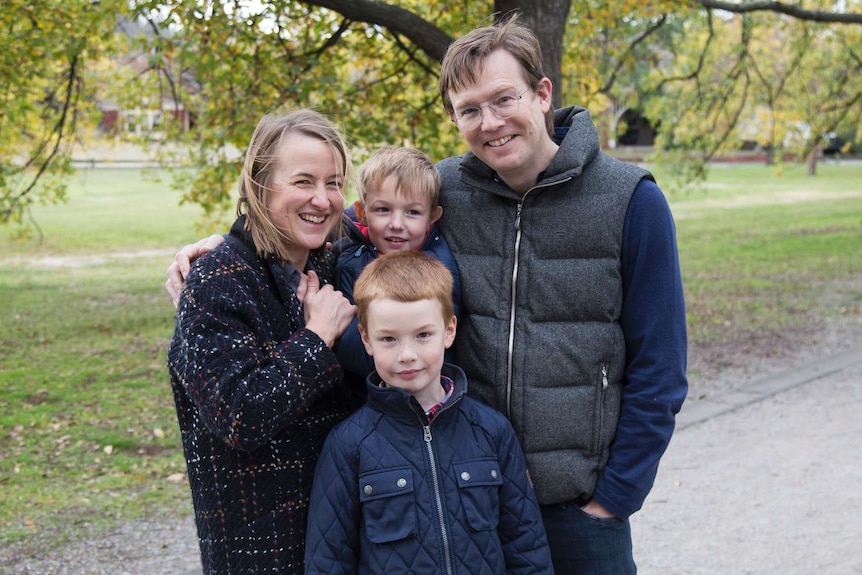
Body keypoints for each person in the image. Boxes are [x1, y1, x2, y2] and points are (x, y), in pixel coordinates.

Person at [166, 15, 688, 574]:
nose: (489, 123)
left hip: (578, 510)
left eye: (503, 99)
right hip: (461, 494)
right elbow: (331, 224)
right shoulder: (441, 193)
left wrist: (613, 500)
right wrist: (226, 243)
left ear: (541, 94)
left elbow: (660, 368)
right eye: (469, 110)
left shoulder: (631, 201)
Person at [167, 109, 358, 574]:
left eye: (333, 183)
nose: (322, 199)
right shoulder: (217, 280)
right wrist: (317, 337)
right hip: (265, 551)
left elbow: (403, 203)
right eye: (303, 181)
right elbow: (237, 415)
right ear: (259, 184)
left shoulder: (331, 265)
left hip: (342, 539)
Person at [304, 251, 554, 575]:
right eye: (389, 339)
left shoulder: (492, 432)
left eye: (423, 335)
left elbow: (527, 547)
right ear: (366, 339)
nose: (408, 355)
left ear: (449, 330)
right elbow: (328, 562)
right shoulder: (348, 445)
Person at [334, 145, 461, 404]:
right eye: (383, 210)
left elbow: (364, 352)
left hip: (414, 401)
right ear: (362, 212)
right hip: (358, 401)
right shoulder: (351, 250)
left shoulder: (434, 271)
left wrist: (331, 335)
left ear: (432, 217)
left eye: (412, 212)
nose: (396, 224)